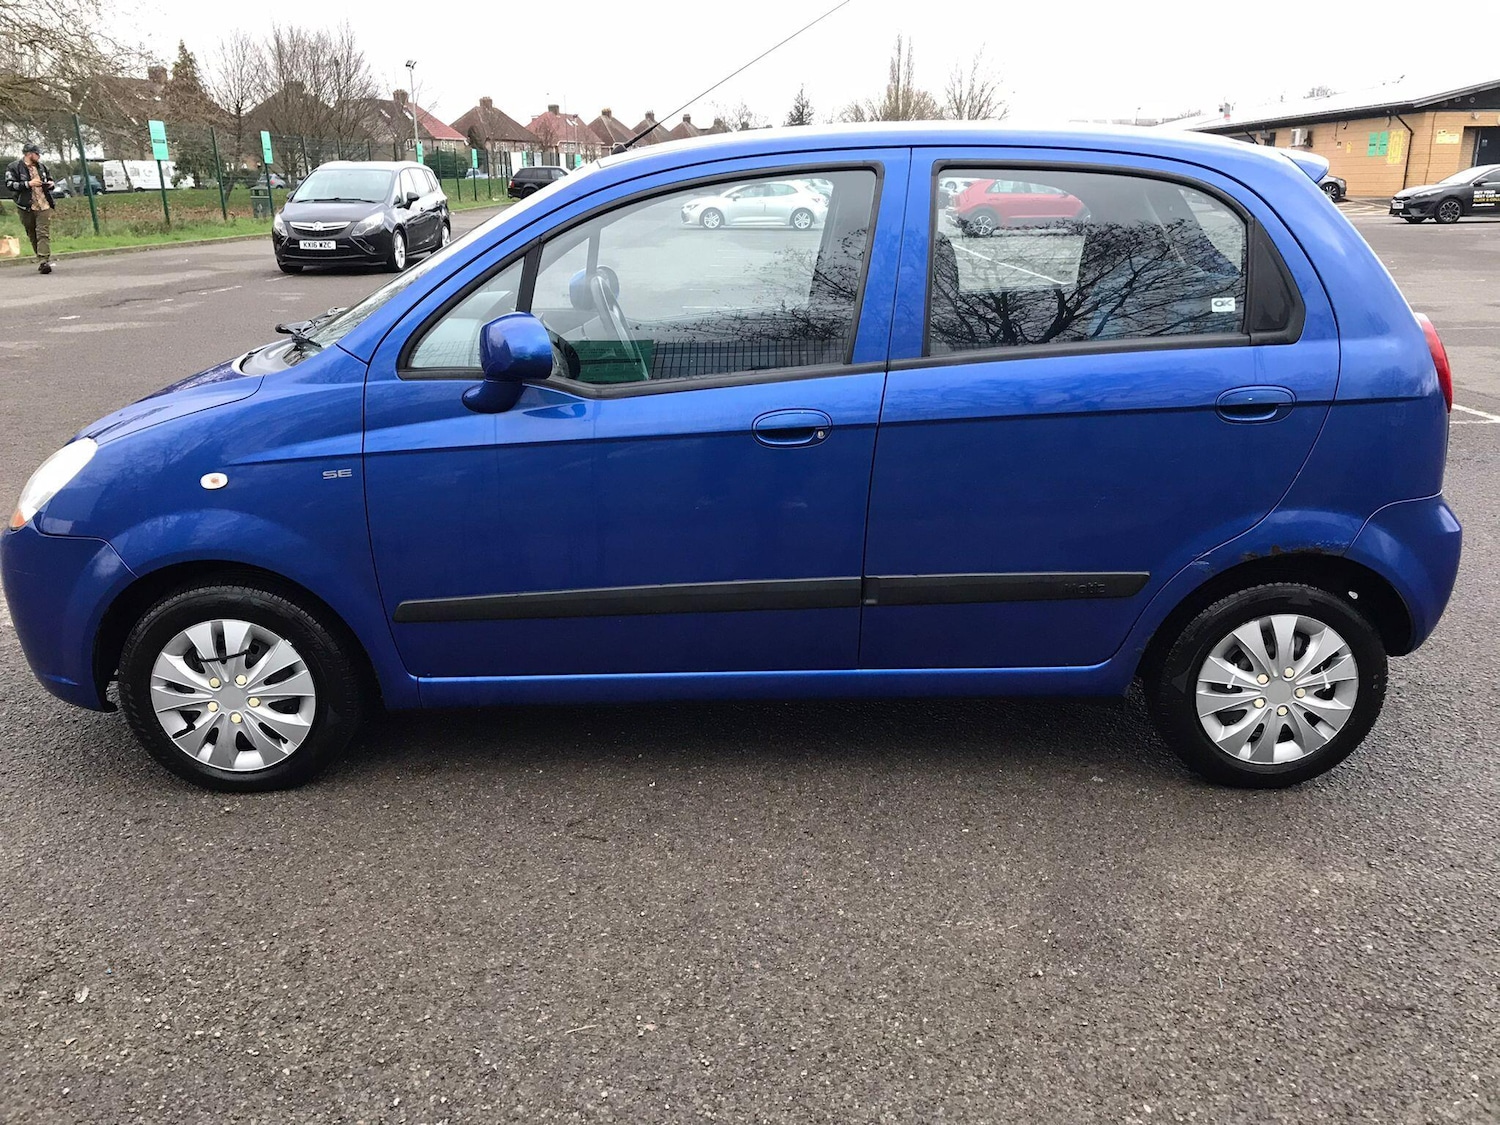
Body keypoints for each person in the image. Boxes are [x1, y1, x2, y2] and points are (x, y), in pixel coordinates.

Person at [5, 143, 56, 274]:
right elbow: (10, 185)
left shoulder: (42, 167)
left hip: (44, 204)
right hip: (25, 205)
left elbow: (49, 179)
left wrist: (50, 184)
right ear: (29, 154)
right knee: (32, 233)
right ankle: (40, 258)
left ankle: (44, 260)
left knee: (42, 232)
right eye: (37, 154)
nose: (39, 156)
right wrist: (28, 184)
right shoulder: (14, 167)